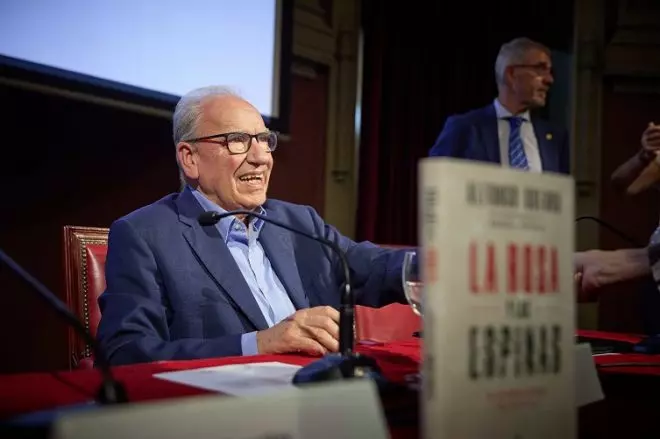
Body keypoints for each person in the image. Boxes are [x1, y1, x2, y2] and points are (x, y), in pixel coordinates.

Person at [97, 86, 408, 365]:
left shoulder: (297, 222)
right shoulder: (145, 234)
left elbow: (375, 268)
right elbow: (125, 352)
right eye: (238, 141)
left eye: (264, 139)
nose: (262, 157)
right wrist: (258, 344)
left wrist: (435, 266)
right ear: (189, 158)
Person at [429, 37, 570, 174]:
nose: (549, 79)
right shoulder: (464, 128)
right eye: (540, 69)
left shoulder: (556, 139)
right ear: (511, 75)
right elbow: (435, 182)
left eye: (549, 71)